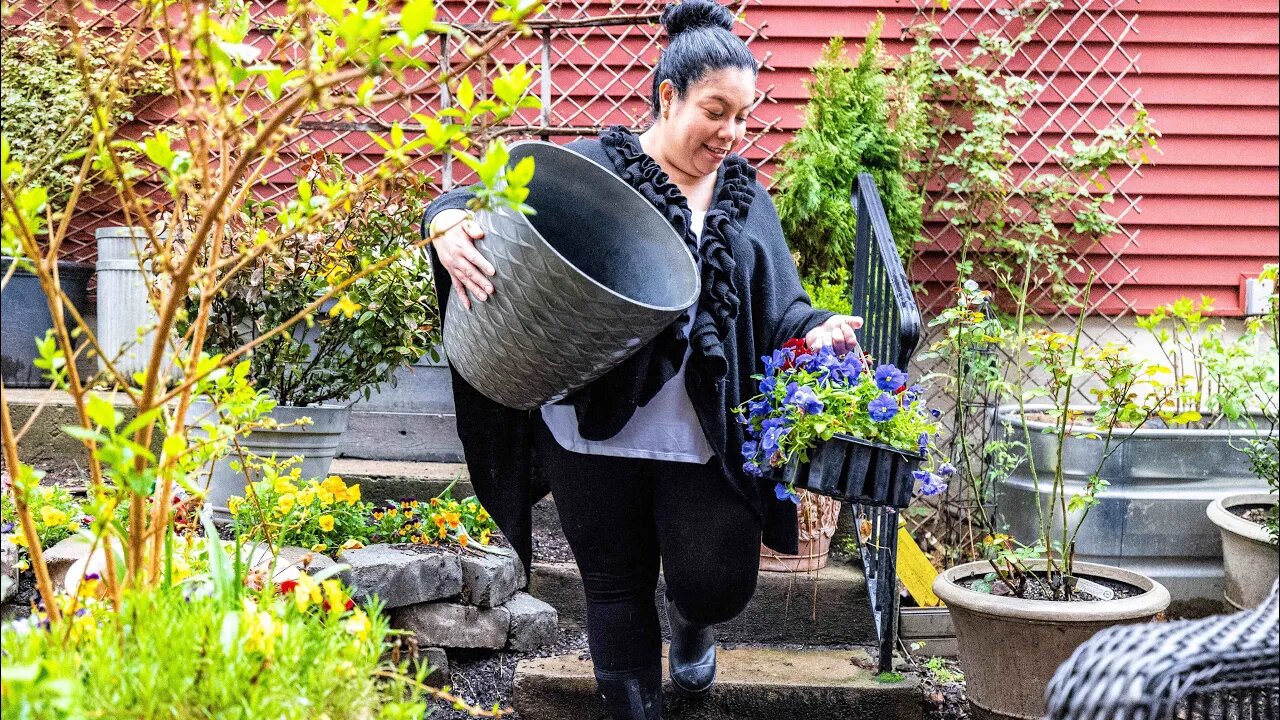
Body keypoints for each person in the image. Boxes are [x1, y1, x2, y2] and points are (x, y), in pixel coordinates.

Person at [422, 2, 863, 717]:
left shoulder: (747, 200)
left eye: (744, 117)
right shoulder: (595, 170)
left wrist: (816, 332)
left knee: (714, 581)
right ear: (668, 96)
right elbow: (471, 202)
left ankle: (692, 624)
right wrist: (442, 224)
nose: (732, 133)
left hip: (704, 437)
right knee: (615, 585)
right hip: (589, 426)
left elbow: (782, 303)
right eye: (716, 111)